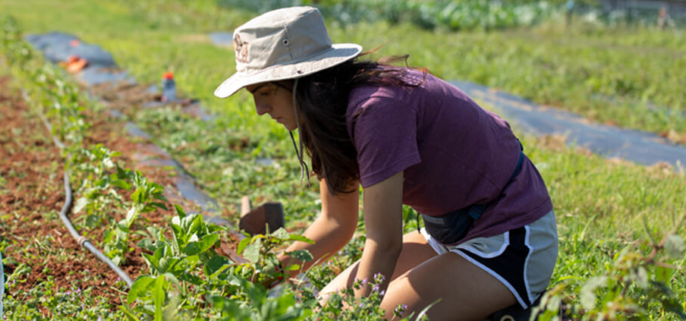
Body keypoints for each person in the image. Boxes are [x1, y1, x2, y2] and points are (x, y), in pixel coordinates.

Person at [214, 6, 558, 320]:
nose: (260, 109)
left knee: (368, 316)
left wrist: (356, 314)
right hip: (448, 234)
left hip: (510, 238)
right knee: (324, 309)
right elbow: (335, 223)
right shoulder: (327, 118)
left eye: (265, 93)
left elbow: (384, 242)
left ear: (300, 81)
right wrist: (258, 279)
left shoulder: (377, 110)